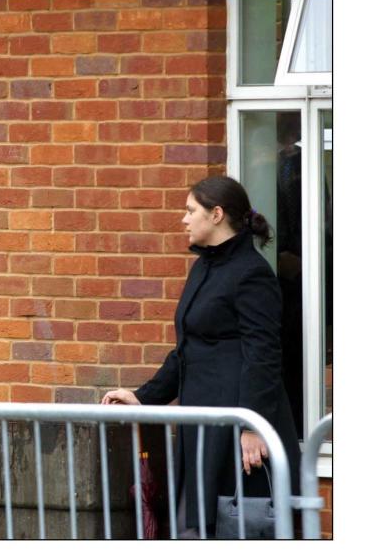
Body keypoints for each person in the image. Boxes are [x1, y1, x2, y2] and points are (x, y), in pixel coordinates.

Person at [101, 176, 301, 538]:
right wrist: (144, 396)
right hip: (202, 425)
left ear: (217, 214)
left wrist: (251, 425)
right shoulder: (204, 267)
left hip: (235, 430)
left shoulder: (252, 273)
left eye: (191, 210)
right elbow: (188, 349)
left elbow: (264, 356)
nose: (184, 219)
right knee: (195, 529)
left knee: (232, 528)